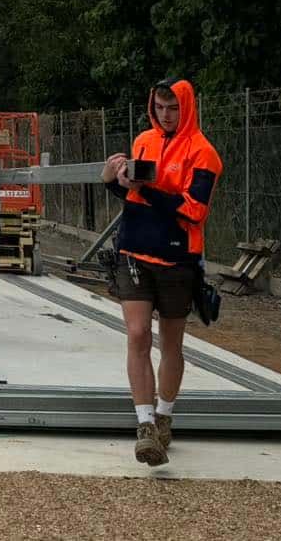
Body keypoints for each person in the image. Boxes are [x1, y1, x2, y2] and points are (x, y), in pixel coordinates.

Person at [102, 78, 221, 467]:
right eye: (160, 108)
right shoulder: (143, 141)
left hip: (178, 258)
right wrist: (114, 182)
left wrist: (146, 189)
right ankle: (144, 425)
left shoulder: (204, 153)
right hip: (134, 250)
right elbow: (132, 196)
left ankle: (165, 415)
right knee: (137, 334)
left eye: (173, 108)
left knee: (172, 344)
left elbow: (194, 209)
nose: (166, 116)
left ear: (186, 107)